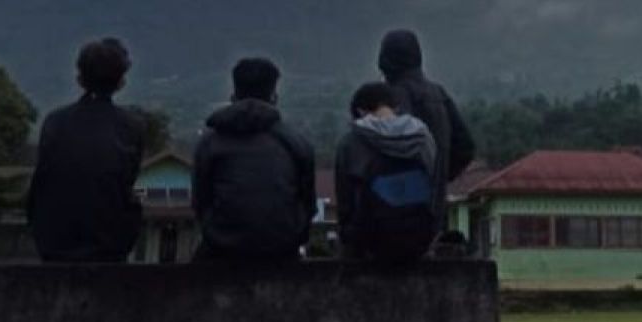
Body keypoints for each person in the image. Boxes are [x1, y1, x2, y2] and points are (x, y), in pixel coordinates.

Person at [27, 37, 145, 262]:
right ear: (121, 81)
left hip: (54, 241)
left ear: (80, 78)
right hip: (109, 245)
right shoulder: (131, 126)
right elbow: (125, 181)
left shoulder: (55, 122)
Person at [191, 57, 316, 262]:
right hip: (283, 251)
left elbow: (200, 202)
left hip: (221, 249)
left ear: (234, 95)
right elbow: (307, 203)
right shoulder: (296, 144)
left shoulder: (209, 144)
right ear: (274, 97)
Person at [376, 29, 475, 230]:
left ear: (386, 62)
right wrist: (439, 176)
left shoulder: (393, 97)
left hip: (397, 218)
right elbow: (466, 147)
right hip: (433, 214)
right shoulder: (439, 95)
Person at [335, 82, 438, 261]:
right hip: (419, 238)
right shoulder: (423, 138)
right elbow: (433, 182)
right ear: (395, 107)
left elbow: (346, 201)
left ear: (360, 112)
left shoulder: (351, 142)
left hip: (370, 242)